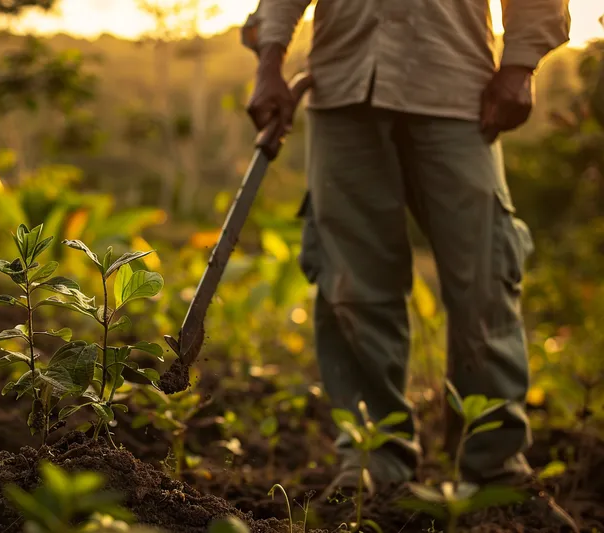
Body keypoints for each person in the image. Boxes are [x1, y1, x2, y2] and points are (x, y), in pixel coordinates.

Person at [243, 0, 578, 529]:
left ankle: (495, 471)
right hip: (343, 86)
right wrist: (269, 64)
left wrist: (520, 63)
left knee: (485, 277)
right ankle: (375, 462)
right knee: (351, 285)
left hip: (456, 87)